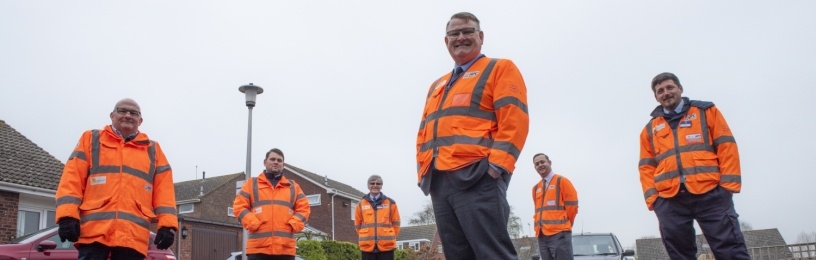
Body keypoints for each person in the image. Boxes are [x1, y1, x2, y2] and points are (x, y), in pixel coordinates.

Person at [415, 11, 529, 260]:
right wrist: (424, 172)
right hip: (439, 181)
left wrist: (496, 167)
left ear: (481, 36)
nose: (461, 37)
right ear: (446, 41)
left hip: (477, 177)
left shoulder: (499, 68)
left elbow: (515, 121)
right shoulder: (438, 85)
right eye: (454, 33)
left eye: (467, 31)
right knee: (457, 255)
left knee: (492, 254)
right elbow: (424, 131)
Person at [638, 72, 749, 259]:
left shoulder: (706, 112)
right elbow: (646, 167)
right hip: (670, 201)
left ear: (680, 89)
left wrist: (727, 187)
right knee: (680, 255)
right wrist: (655, 201)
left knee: (730, 251)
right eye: (660, 91)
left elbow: (726, 146)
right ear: (656, 97)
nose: (666, 93)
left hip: (711, 194)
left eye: (670, 87)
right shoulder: (649, 129)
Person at [55, 98, 178, 259]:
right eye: (122, 111)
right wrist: (67, 216)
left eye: (133, 113)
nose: (127, 115)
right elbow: (72, 180)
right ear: (112, 115)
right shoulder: (91, 139)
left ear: (140, 121)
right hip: (94, 234)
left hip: (132, 237)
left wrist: (167, 225)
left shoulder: (153, 150)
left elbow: (165, 192)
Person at [233, 148, 311, 260]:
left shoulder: (293, 187)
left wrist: (293, 224)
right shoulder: (251, 184)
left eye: (279, 160)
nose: (276, 162)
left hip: (285, 249)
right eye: (272, 159)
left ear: (283, 164)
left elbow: (304, 209)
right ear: (265, 162)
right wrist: (253, 223)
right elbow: (239, 206)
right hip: (258, 249)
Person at [531, 153, 578, 260]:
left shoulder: (562, 181)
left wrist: (565, 225)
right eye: (537, 164)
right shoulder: (535, 188)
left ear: (549, 162)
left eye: (542, 162)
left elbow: (572, 207)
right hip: (542, 235)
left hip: (559, 234)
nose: (540, 165)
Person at [354, 175, 401, 260]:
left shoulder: (391, 203)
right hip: (367, 247)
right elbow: (357, 225)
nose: (375, 185)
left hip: (386, 248)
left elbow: (396, 224)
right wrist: (367, 235)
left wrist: (390, 236)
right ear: (368, 186)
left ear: (381, 186)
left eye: (378, 183)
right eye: (372, 183)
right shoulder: (360, 205)